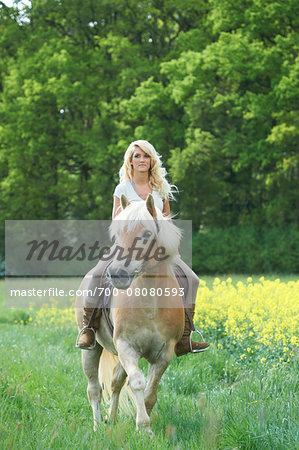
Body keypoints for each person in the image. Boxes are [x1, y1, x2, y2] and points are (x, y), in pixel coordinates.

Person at [76, 140, 209, 356]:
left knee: (192, 278)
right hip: (127, 247)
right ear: (130, 160)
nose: (141, 160)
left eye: (146, 156)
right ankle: (88, 327)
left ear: (151, 160)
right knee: (97, 274)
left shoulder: (160, 189)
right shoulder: (123, 188)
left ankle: (185, 337)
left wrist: (173, 249)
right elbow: (116, 221)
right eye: (137, 156)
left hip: (157, 250)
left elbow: (168, 221)